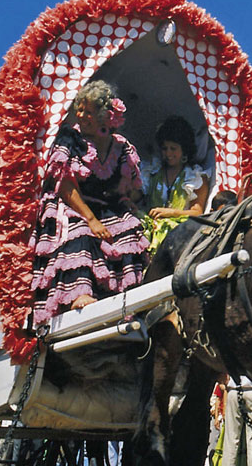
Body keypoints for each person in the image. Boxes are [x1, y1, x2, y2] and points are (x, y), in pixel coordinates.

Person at [31, 80, 149, 321]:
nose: (81, 115)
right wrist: (92, 219)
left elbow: (127, 187)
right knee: (82, 230)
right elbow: (65, 187)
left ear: (105, 116)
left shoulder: (120, 146)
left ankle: (128, 294)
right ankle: (78, 294)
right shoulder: (70, 139)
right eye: (80, 109)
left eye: (88, 111)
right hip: (70, 203)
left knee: (130, 227)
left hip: (104, 207)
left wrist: (125, 199)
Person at [140, 115, 210, 255]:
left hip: (179, 233)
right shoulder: (152, 172)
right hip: (148, 230)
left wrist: (172, 213)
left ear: (184, 149)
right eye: (165, 148)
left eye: (173, 148)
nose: (168, 153)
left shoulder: (195, 177)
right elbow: (138, 197)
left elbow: (198, 212)